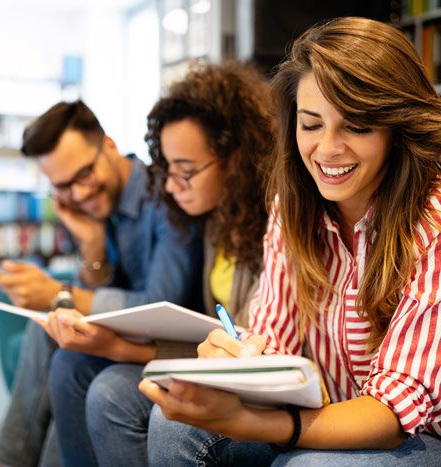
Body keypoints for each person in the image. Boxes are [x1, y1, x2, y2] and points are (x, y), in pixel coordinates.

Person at [140, 17, 441, 467]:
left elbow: (392, 412)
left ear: (398, 129)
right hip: (329, 412)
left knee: (311, 466)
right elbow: (272, 338)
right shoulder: (293, 204)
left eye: (356, 126)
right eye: (311, 124)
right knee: (171, 424)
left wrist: (261, 424)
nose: (327, 149)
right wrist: (238, 359)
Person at [42, 61, 277, 466]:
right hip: (218, 363)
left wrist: (116, 344)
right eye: (168, 170)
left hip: (256, 379)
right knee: (71, 357)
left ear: (236, 159)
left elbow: (252, 352)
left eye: (185, 172)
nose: (170, 185)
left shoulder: (274, 224)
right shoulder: (214, 217)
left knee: (110, 393)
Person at [0, 100, 203, 467]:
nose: (79, 194)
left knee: (66, 350)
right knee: (52, 329)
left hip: (175, 340)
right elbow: (95, 291)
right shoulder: (101, 208)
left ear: (108, 145)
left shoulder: (165, 195)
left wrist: (61, 295)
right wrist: (91, 246)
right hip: (134, 335)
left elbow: (161, 302)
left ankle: (8, 460)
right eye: (63, 187)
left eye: (83, 175)